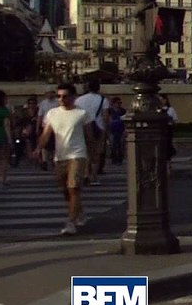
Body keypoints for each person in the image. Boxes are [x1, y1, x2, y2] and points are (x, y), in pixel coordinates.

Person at [37, 83, 96, 235]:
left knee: (73, 188)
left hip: (77, 155)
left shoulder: (82, 113)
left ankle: (71, 222)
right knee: (65, 190)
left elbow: (89, 136)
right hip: (60, 156)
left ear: (73, 97)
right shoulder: (52, 113)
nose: (61, 99)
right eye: (59, 96)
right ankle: (79, 210)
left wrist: (93, 157)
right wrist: (38, 148)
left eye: (64, 96)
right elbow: (46, 133)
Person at [76, 79, 110, 181]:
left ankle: (86, 172)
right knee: (97, 152)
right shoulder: (103, 100)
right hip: (98, 127)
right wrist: (106, 130)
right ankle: (93, 175)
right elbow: (105, 117)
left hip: (83, 127)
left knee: (85, 151)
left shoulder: (79, 100)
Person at [0, 88, 10, 188]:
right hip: (1, 136)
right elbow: (6, 125)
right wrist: (10, 139)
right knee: (3, 159)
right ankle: (3, 180)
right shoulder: (4, 110)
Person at [108, 96, 127, 164]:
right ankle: (114, 159)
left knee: (121, 145)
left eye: (120, 103)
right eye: (118, 103)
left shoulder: (123, 111)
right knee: (113, 145)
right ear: (113, 103)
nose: (119, 104)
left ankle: (120, 159)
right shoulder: (109, 111)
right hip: (112, 130)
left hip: (121, 130)